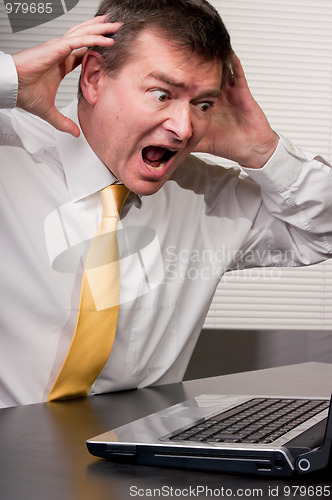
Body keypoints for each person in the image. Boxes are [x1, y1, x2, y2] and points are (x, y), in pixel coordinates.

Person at [1, 0, 331, 407]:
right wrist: (9, 76)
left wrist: (264, 151)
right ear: (94, 77)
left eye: (202, 104)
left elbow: (321, 232)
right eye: (162, 94)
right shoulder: (7, 149)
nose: (183, 128)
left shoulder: (209, 196)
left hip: (136, 456)